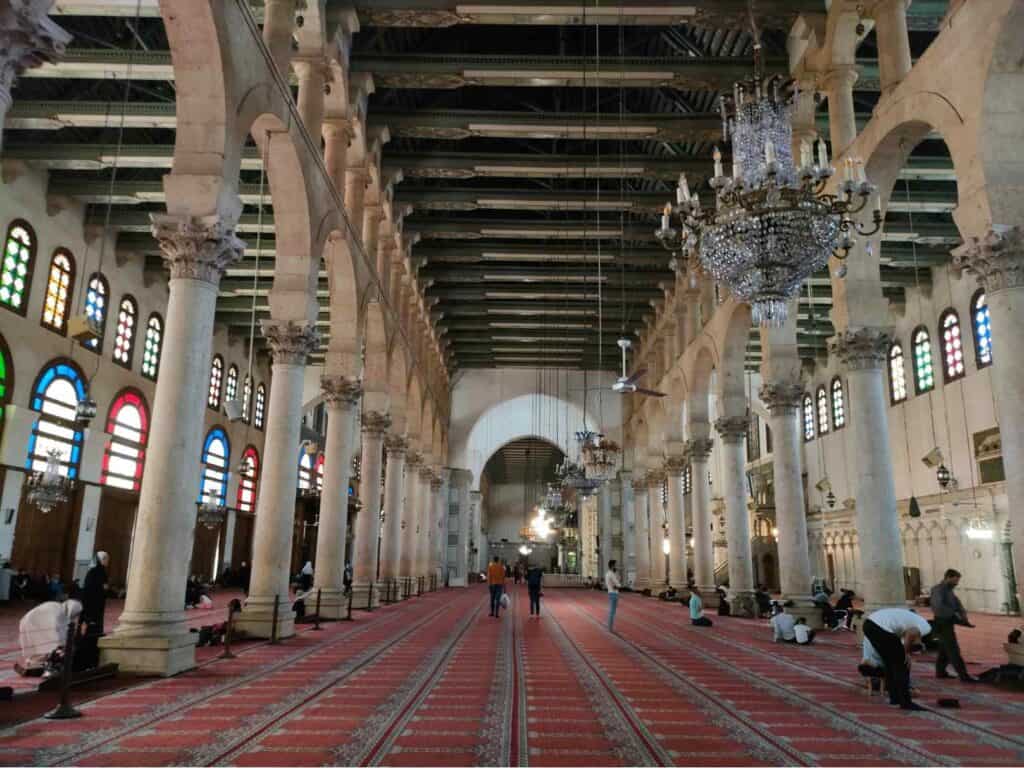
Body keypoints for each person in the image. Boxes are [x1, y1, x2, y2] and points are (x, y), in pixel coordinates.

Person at [862, 607, 932, 710]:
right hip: (881, 628)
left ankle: (894, 698)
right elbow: (911, 634)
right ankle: (906, 703)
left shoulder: (913, 621)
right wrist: (906, 654)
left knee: (890, 663)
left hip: (869, 624)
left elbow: (904, 639)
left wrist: (904, 652)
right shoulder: (925, 628)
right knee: (902, 664)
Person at [929, 568, 978, 682]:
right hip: (942, 623)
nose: (957, 583)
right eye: (955, 581)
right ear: (948, 578)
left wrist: (963, 617)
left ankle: (940, 672)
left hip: (948, 622)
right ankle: (963, 675)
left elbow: (957, 604)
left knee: (944, 649)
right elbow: (938, 608)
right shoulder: (938, 590)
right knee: (953, 649)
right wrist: (955, 615)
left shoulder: (949, 590)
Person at [82, 551, 109, 635]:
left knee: (93, 618)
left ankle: (94, 633)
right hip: (94, 600)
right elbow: (102, 586)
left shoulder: (94, 571)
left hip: (93, 599)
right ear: (101, 560)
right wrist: (104, 588)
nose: (108, 561)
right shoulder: (98, 571)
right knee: (93, 619)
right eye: (106, 559)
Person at [605, 559, 621, 631]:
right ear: (612, 565)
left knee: (612, 610)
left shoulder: (608, 573)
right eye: (616, 565)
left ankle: (609, 626)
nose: (616, 566)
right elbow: (617, 583)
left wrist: (616, 573)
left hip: (610, 592)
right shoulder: (611, 574)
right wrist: (619, 585)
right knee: (612, 611)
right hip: (614, 593)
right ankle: (610, 627)